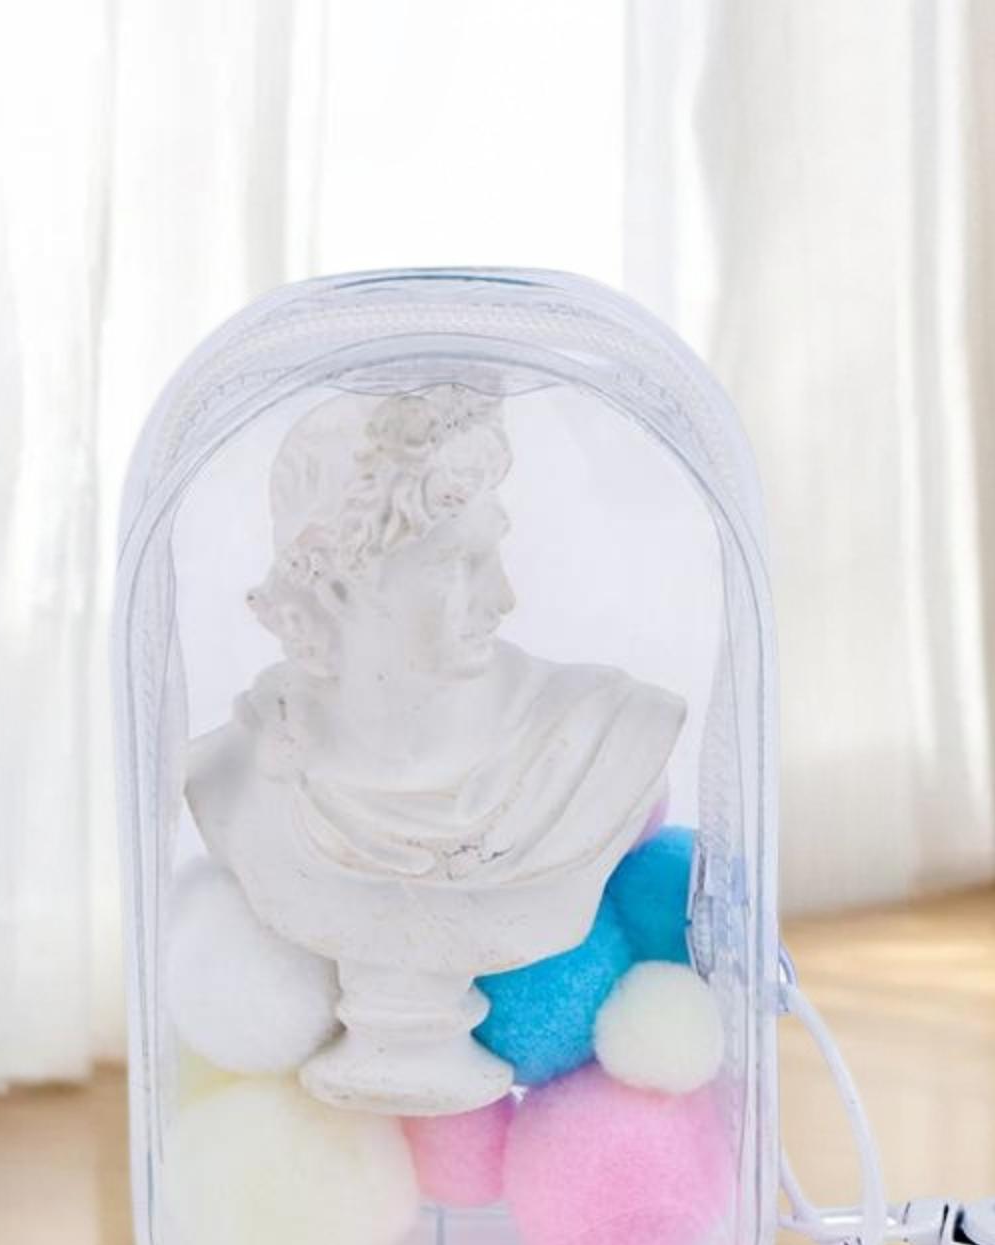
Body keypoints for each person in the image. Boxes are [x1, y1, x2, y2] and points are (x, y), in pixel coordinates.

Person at [186, 384, 683, 1114]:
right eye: (457, 563)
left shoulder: (603, 741)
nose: (503, 597)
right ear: (339, 586)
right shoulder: (234, 778)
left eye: (492, 552)